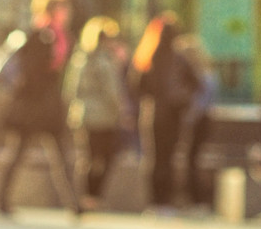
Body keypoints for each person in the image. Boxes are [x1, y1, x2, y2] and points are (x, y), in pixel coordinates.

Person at [0, 0, 83, 218]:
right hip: (33, 107)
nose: (67, 12)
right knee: (19, 153)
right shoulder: (39, 36)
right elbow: (32, 73)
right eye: (63, 8)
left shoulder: (60, 37)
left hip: (48, 106)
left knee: (61, 155)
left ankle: (75, 204)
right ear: (54, 10)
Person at [132, 12, 200, 213]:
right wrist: (182, 99)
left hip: (154, 113)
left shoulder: (148, 56)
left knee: (156, 158)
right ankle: (164, 201)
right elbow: (196, 83)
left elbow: (136, 86)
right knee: (167, 158)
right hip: (172, 114)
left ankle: (156, 201)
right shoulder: (177, 58)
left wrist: (153, 97)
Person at [63, 16, 131, 212]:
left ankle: (85, 197)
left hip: (82, 115)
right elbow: (113, 92)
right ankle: (93, 196)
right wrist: (123, 111)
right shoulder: (104, 60)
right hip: (104, 117)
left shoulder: (79, 58)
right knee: (105, 157)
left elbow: (70, 90)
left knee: (88, 157)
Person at [175, 34, 216, 209]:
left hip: (198, 121)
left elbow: (202, 102)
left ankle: (197, 199)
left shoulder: (202, 75)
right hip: (201, 120)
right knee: (192, 159)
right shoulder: (206, 73)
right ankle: (193, 198)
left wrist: (188, 119)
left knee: (193, 159)